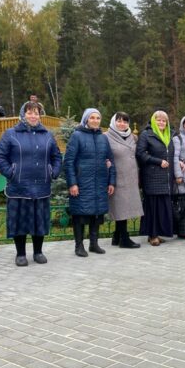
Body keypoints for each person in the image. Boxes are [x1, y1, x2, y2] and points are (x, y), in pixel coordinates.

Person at [0, 102, 61, 266]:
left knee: (40, 220)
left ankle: (38, 252)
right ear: (23, 115)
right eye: (29, 112)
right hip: (19, 187)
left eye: (36, 113)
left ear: (40, 115)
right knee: (20, 221)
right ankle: (21, 254)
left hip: (41, 186)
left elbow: (57, 156)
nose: (33, 116)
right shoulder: (11, 134)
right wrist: (11, 173)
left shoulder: (47, 135)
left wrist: (53, 171)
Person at [64, 108, 116, 257]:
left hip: (100, 183)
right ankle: (79, 246)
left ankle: (94, 244)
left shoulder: (103, 138)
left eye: (98, 118)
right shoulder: (77, 136)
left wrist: (111, 181)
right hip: (82, 183)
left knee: (96, 214)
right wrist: (72, 183)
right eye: (92, 118)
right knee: (79, 216)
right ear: (86, 119)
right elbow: (68, 161)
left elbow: (110, 160)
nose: (95, 120)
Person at [137, 111, 175, 246]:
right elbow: (140, 154)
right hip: (152, 176)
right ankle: (152, 235)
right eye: (158, 120)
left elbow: (173, 153)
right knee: (152, 207)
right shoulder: (146, 135)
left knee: (162, 207)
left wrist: (180, 161)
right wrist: (157, 161)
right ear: (153, 121)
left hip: (166, 177)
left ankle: (157, 233)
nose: (161, 123)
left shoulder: (169, 135)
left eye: (164, 121)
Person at [105, 112, 142, 249]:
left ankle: (116, 236)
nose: (122, 124)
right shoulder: (106, 137)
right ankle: (124, 239)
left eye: (125, 122)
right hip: (117, 177)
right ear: (113, 122)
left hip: (131, 177)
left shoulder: (133, 137)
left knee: (125, 208)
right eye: (119, 121)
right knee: (120, 208)